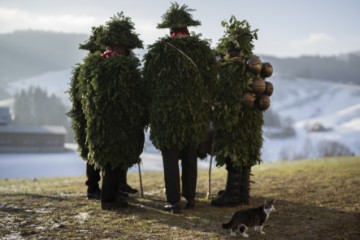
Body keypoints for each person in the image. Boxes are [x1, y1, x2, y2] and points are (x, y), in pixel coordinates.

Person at [143, 2, 217, 213]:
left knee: (170, 159)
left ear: (170, 29)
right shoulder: (202, 51)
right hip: (194, 116)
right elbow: (211, 83)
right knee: (190, 157)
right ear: (188, 27)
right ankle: (191, 198)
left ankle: (174, 201)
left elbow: (148, 84)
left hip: (167, 117)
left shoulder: (159, 50)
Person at [69, 12, 147, 210]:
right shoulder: (123, 69)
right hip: (119, 124)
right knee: (114, 161)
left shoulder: (94, 67)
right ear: (124, 47)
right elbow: (133, 98)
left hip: (98, 124)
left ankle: (111, 196)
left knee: (109, 161)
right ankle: (109, 200)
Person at [211, 16, 271, 207]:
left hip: (234, 120)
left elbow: (224, 95)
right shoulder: (254, 69)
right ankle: (242, 194)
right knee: (245, 155)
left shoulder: (232, 70)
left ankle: (232, 196)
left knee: (234, 155)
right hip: (251, 121)